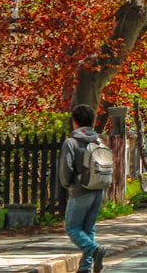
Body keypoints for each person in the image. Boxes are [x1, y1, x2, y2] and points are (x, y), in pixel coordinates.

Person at [58, 104, 108, 273]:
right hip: (98, 189)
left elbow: (66, 169)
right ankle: (85, 267)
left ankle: (94, 250)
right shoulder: (98, 140)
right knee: (88, 228)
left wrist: (67, 185)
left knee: (72, 227)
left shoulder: (71, 142)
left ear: (75, 122)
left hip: (80, 191)